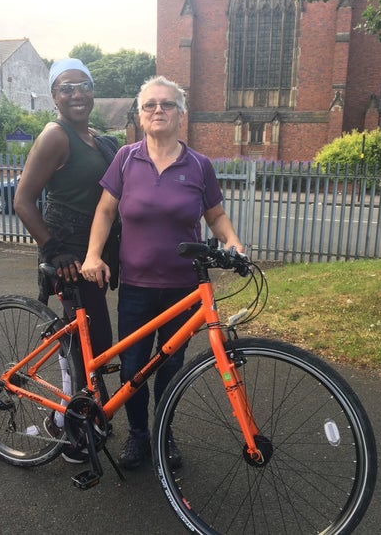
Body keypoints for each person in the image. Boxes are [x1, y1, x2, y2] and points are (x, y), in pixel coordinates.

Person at [80, 76, 244, 470]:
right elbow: (105, 211)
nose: (158, 110)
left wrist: (233, 242)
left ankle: (163, 434)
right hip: (136, 287)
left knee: (170, 368)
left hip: (183, 289)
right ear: (140, 114)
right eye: (150, 105)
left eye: (167, 105)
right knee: (135, 369)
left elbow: (216, 215)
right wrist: (92, 256)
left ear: (180, 114)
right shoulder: (126, 158)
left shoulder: (199, 165)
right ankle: (138, 435)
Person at [13, 58, 118, 464]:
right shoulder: (55, 137)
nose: (77, 94)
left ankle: (66, 417)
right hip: (67, 255)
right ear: (54, 96)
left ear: (93, 92)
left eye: (83, 86)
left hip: (93, 254)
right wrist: (54, 250)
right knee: (82, 344)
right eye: (66, 88)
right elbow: (22, 201)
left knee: (97, 344)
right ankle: (70, 430)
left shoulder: (97, 138)